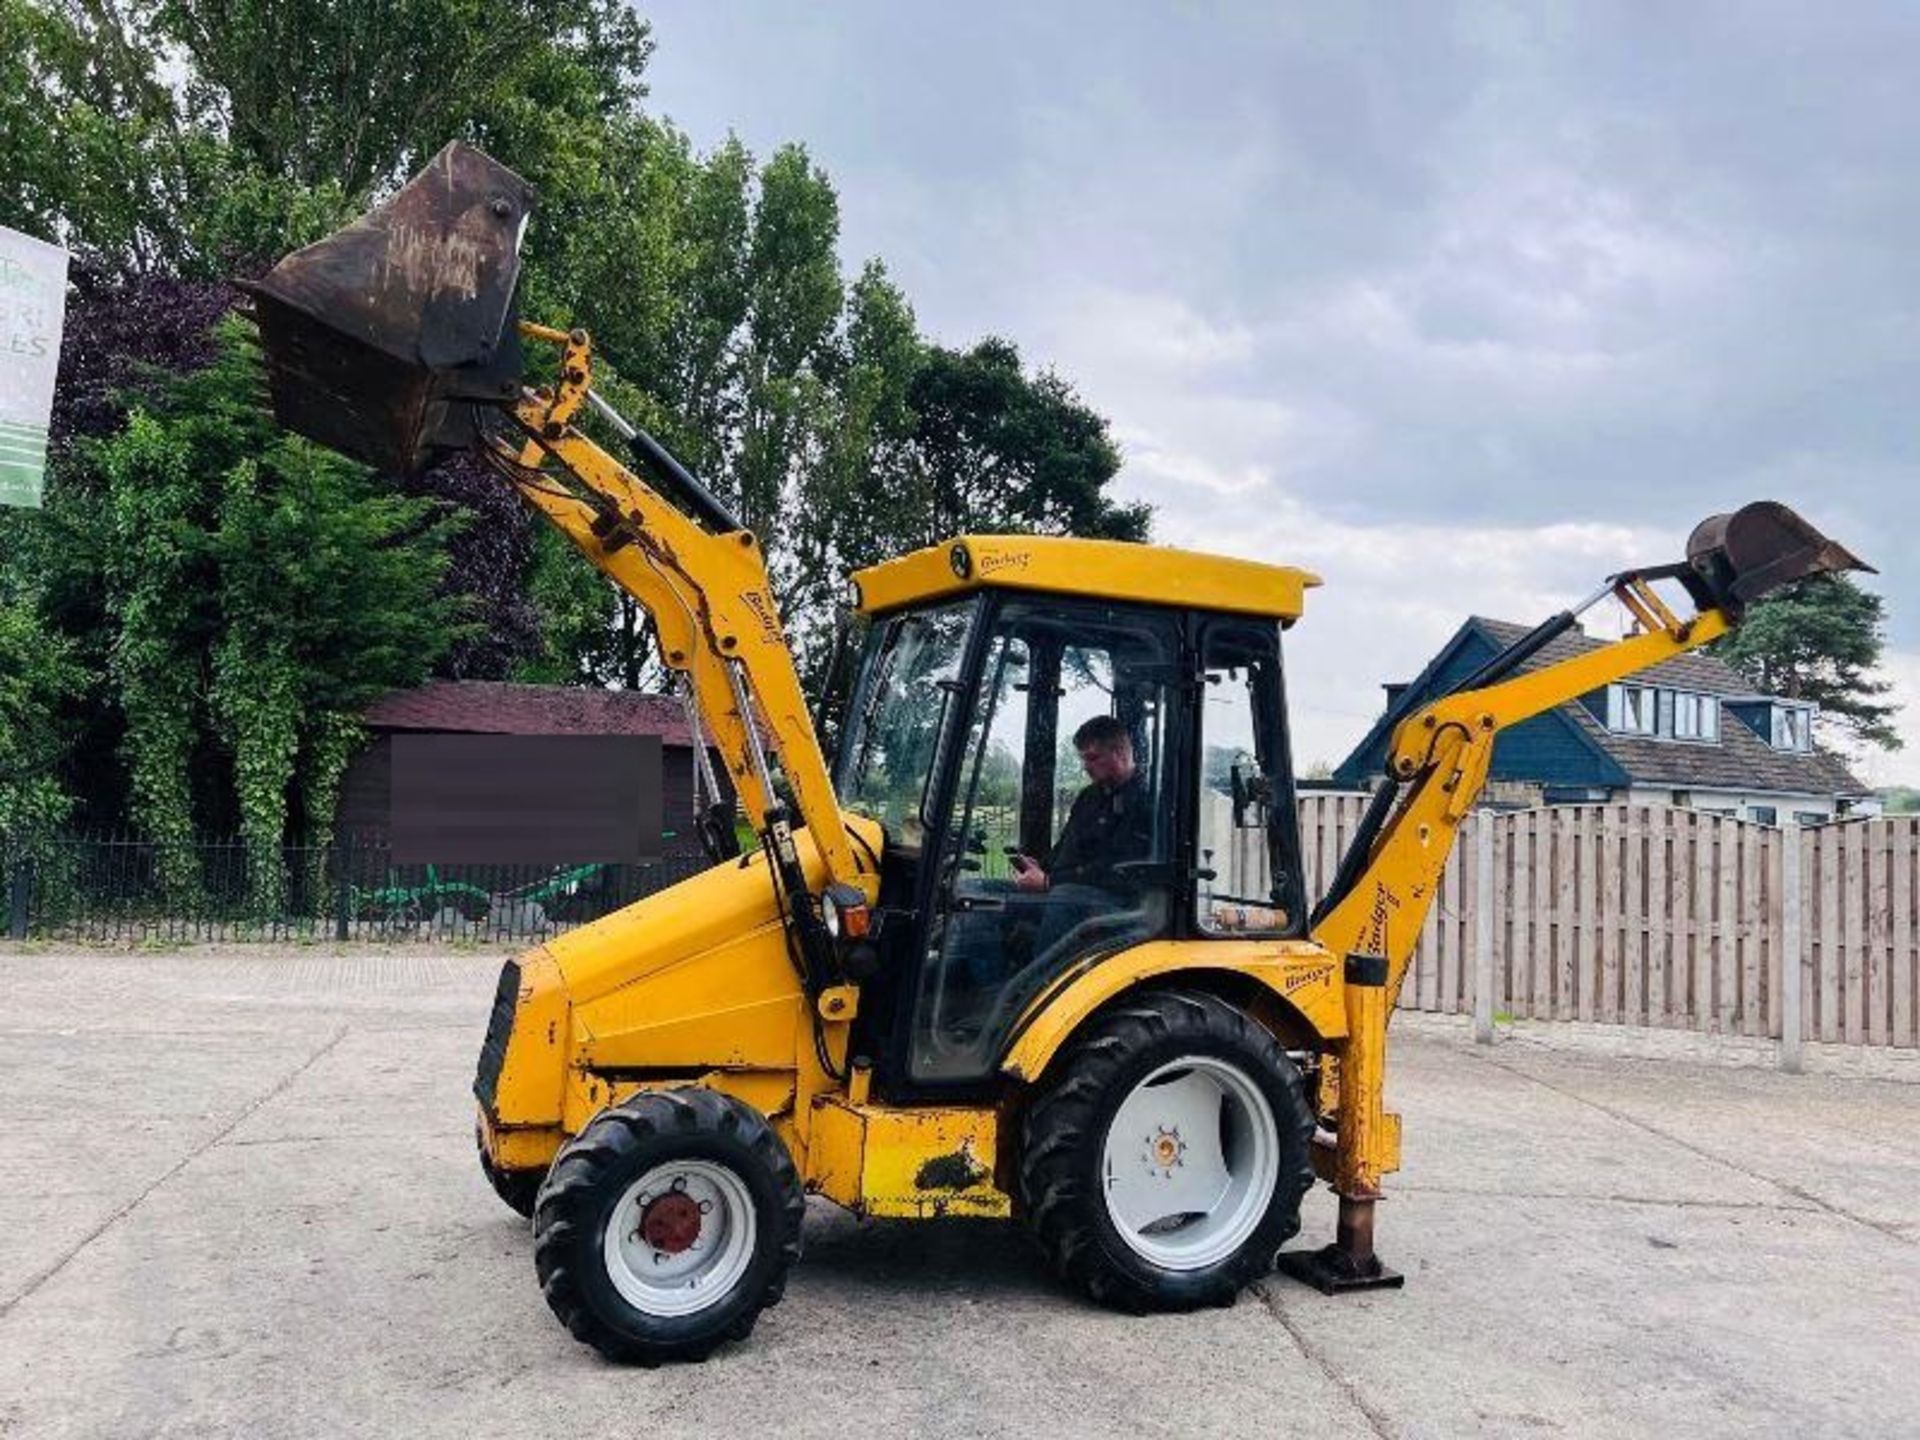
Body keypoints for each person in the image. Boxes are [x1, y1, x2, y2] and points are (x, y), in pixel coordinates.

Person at [1010, 714, 1152, 899]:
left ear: (1120, 753)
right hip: (1064, 889)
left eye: (1092, 758)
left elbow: (1117, 868)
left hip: (1108, 903)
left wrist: (1049, 882)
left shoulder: (1146, 800)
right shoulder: (1089, 796)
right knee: (980, 891)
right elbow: (1066, 846)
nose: (1085, 767)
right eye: (1083, 759)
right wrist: (1041, 867)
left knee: (1063, 898)